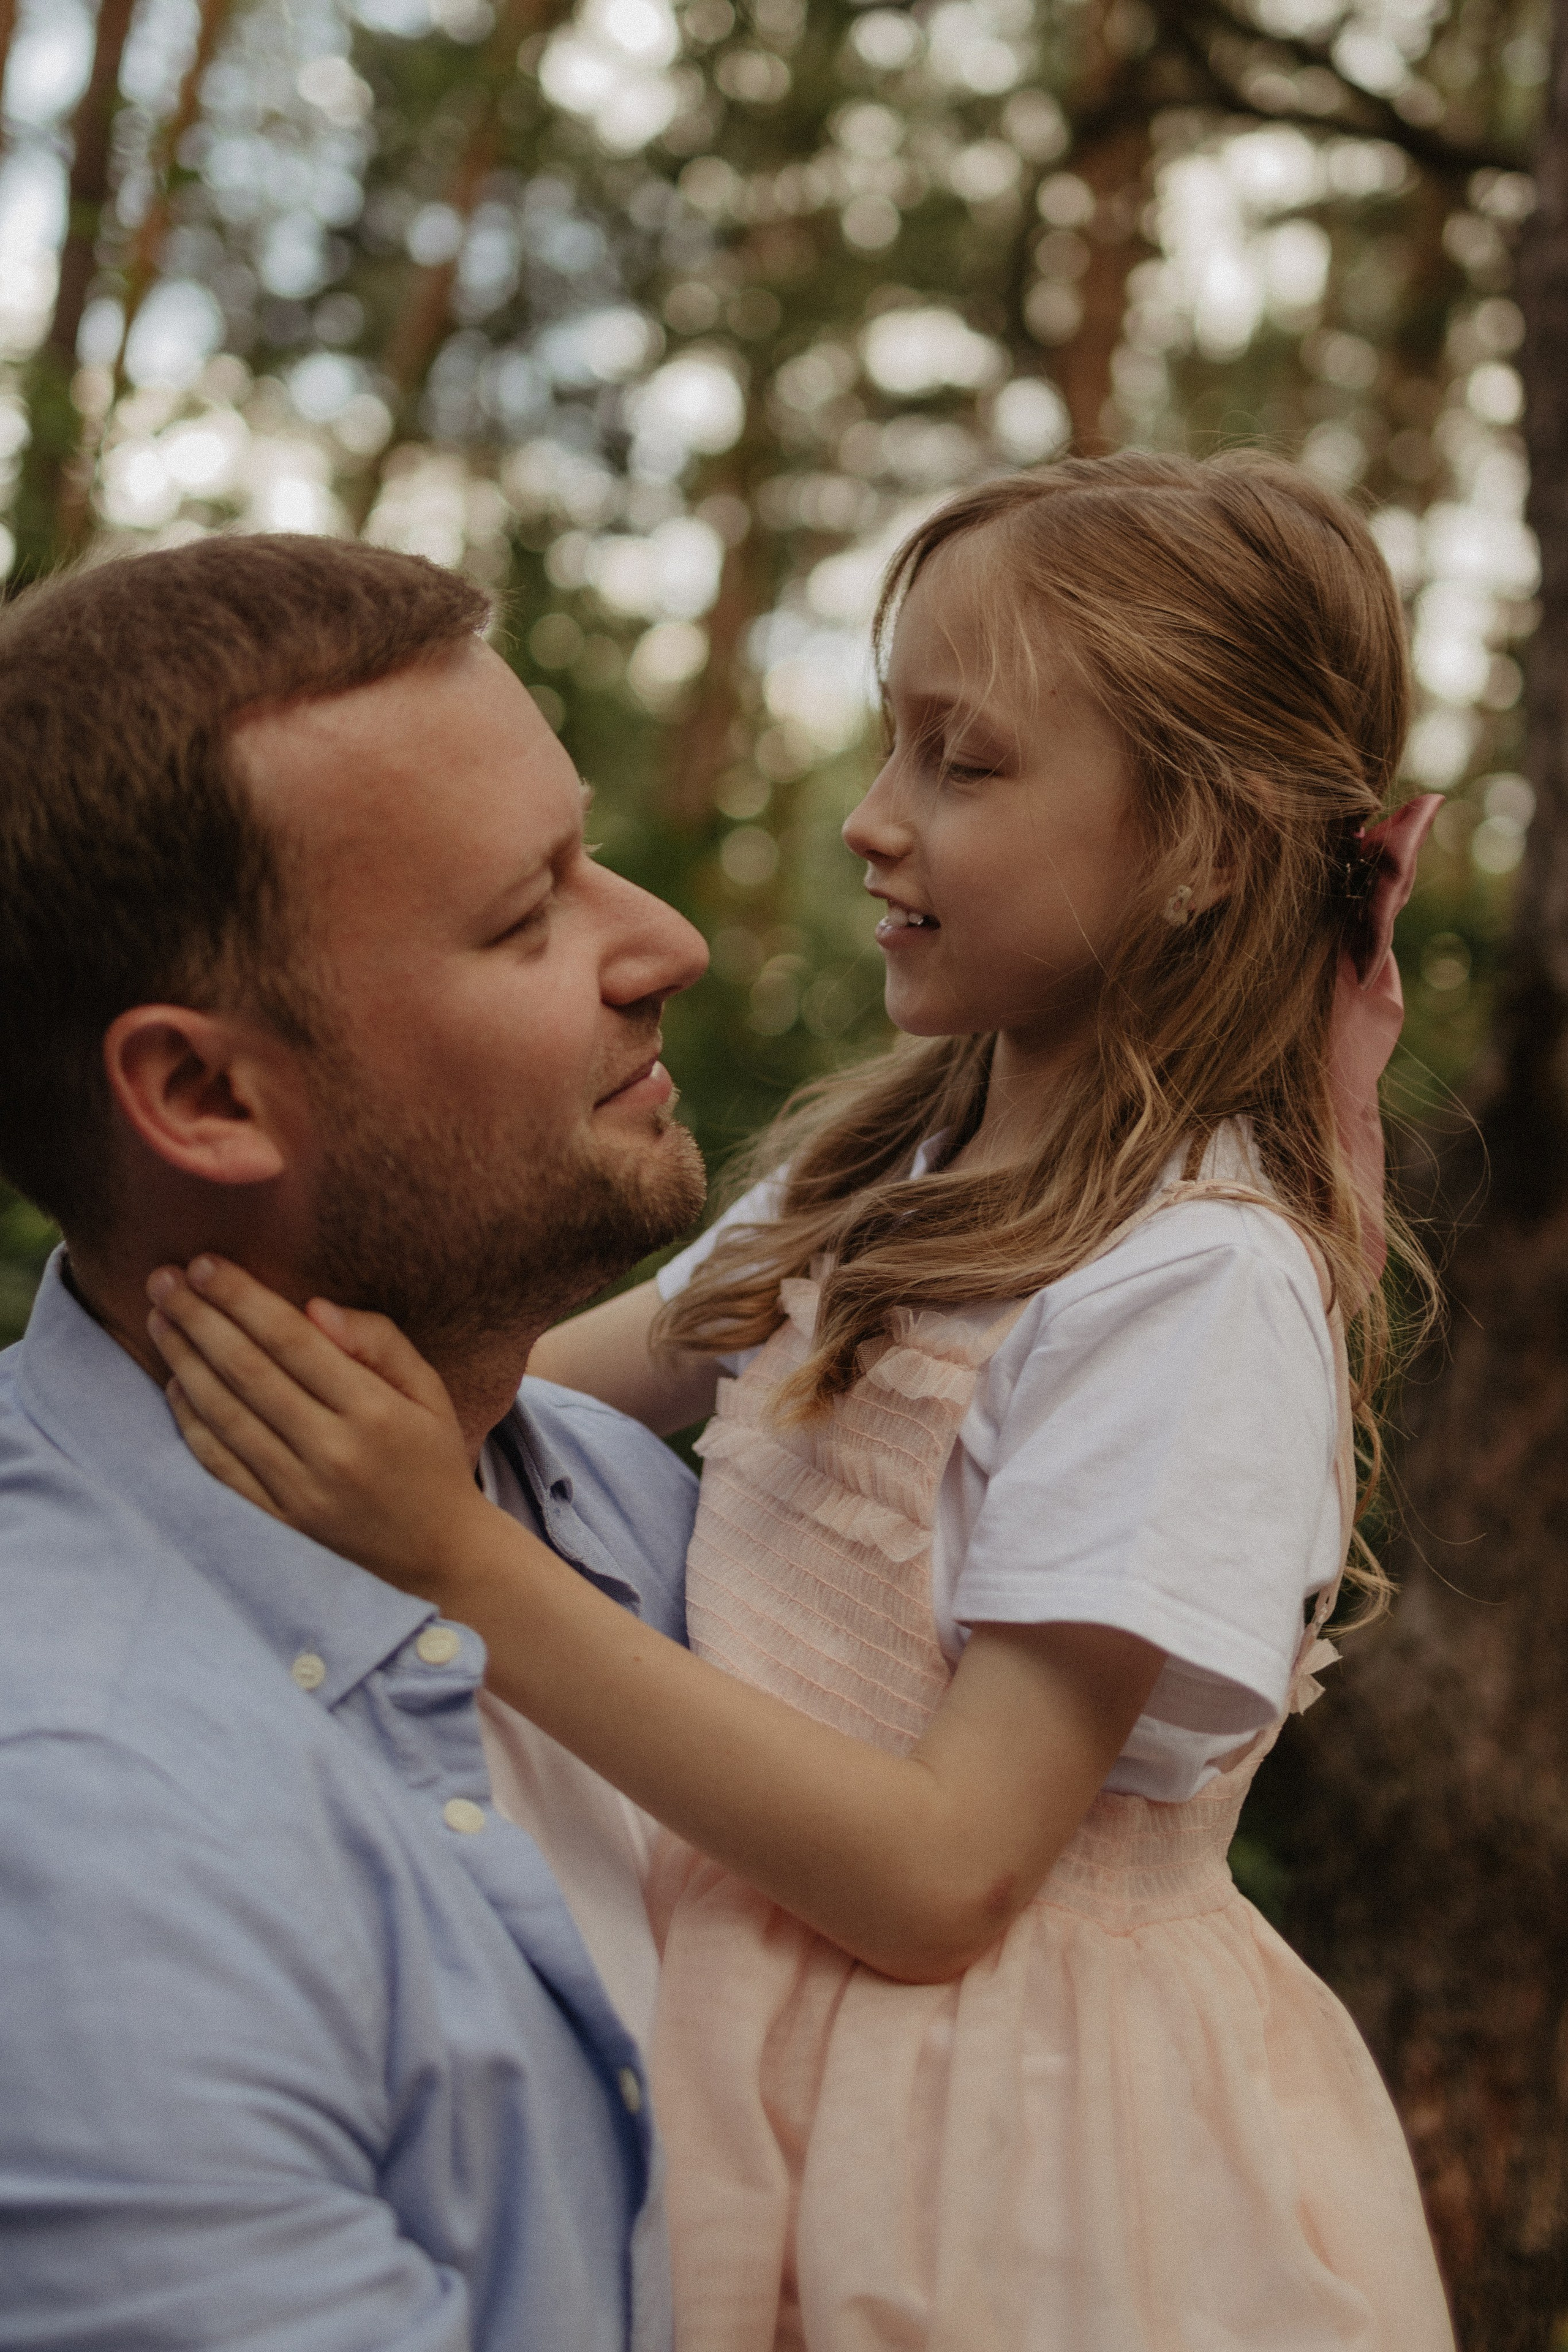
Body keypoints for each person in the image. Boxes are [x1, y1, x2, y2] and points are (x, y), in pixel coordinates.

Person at [148, 454, 1457, 2349]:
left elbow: (944, 1877)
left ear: (1207, 846)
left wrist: (452, 1565)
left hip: (998, 2144)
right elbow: (506, 1395)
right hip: (767, 2023)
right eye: (889, 745)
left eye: (962, 761)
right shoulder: (883, 1169)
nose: (870, 820)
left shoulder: (1192, 1289)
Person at [0, 534, 715, 2350]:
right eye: (525, 913)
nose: (667, 945)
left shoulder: (628, 1498)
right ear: (207, 1096)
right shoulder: (83, 1839)